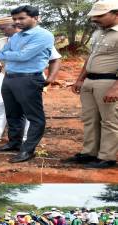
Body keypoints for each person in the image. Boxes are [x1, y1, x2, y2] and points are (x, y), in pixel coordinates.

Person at [0, 16, 61, 147]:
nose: (1, 31)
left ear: (15, 26)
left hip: (29, 78)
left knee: (28, 110)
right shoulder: (1, 41)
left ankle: (27, 140)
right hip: (6, 77)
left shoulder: (37, 39)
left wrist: (51, 78)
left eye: (3, 28)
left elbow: (55, 59)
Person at [0, 6, 55, 163]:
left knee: (35, 117)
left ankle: (28, 150)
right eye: (14, 19)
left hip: (29, 79)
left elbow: (23, 56)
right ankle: (14, 143)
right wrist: (10, 55)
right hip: (10, 78)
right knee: (13, 113)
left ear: (35, 18)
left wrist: (8, 55)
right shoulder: (16, 36)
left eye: (21, 18)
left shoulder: (43, 35)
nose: (17, 22)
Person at [67, 0, 118, 169]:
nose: (95, 19)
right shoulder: (98, 33)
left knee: (109, 121)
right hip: (89, 81)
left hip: (109, 82)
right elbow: (90, 57)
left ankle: (107, 157)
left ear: (115, 14)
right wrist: (80, 78)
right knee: (90, 119)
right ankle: (89, 153)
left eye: (100, 15)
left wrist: (116, 88)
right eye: (94, 16)